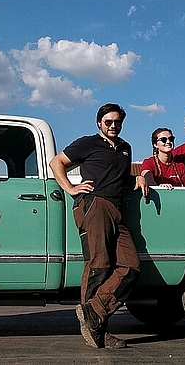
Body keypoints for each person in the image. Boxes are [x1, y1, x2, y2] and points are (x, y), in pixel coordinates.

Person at [49, 103, 148, 349]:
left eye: (117, 122)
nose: (113, 126)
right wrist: (71, 189)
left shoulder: (125, 148)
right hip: (94, 205)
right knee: (99, 264)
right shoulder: (87, 143)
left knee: (131, 266)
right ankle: (98, 331)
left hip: (117, 209)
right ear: (99, 123)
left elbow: (120, 177)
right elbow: (57, 163)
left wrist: (138, 177)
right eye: (108, 122)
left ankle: (94, 311)